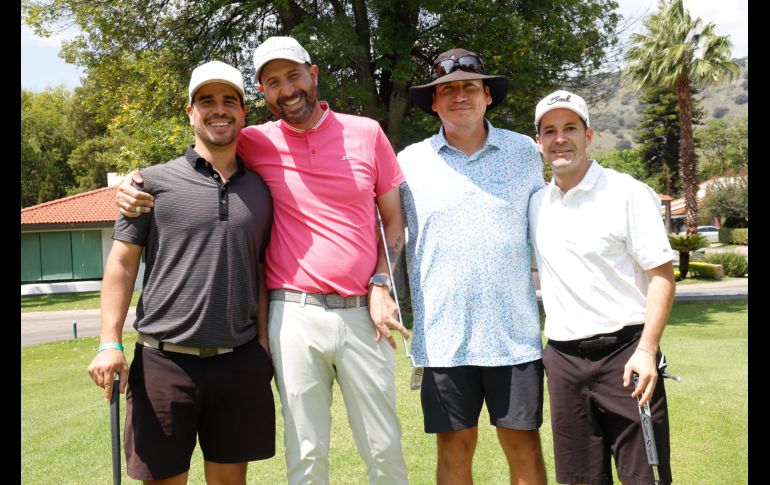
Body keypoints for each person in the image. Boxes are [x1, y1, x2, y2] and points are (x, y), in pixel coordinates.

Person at [116, 37, 410, 485]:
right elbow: (201, 156)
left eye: (293, 76)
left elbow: (393, 223)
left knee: (384, 448)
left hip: (362, 313)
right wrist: (129, 185)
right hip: (293, 314)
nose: (286, 89)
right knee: (306, 452)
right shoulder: (253, 141)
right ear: (262, 93)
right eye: (272, 82)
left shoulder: (367, 132)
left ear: (313, 75)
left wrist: (382, 283)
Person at [87, 61, 275, 484]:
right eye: (206, 101)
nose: (219, 109)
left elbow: (263, 268)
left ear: (244, 113)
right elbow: (120, 264)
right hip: (163, 363)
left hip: (238, 362)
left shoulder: (262, 189)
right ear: (190, 112)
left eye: (229, 100)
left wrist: (262, 344)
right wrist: (108, 342)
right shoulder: (149, 184)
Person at [397, 48, 547, 485]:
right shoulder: (409, 162)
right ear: (434, 102)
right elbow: (387, 235)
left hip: (514, 335)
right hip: (444, 337)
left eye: (468, 86)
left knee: (523, 446)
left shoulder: (523, 152)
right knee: (455, 449)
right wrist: (379, 285)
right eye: (447, 89)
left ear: (487, 96)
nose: (458, 96)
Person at [528, 90, 676, 485]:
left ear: (589, 135)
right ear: (539, 142)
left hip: (627, 359)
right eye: (550, 131)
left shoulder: (627, 192)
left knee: (646, 477)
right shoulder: (536, 205)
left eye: (570, 128)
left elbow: (662, 274)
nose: (561, 138)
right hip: (563, 362)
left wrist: (647, 350)